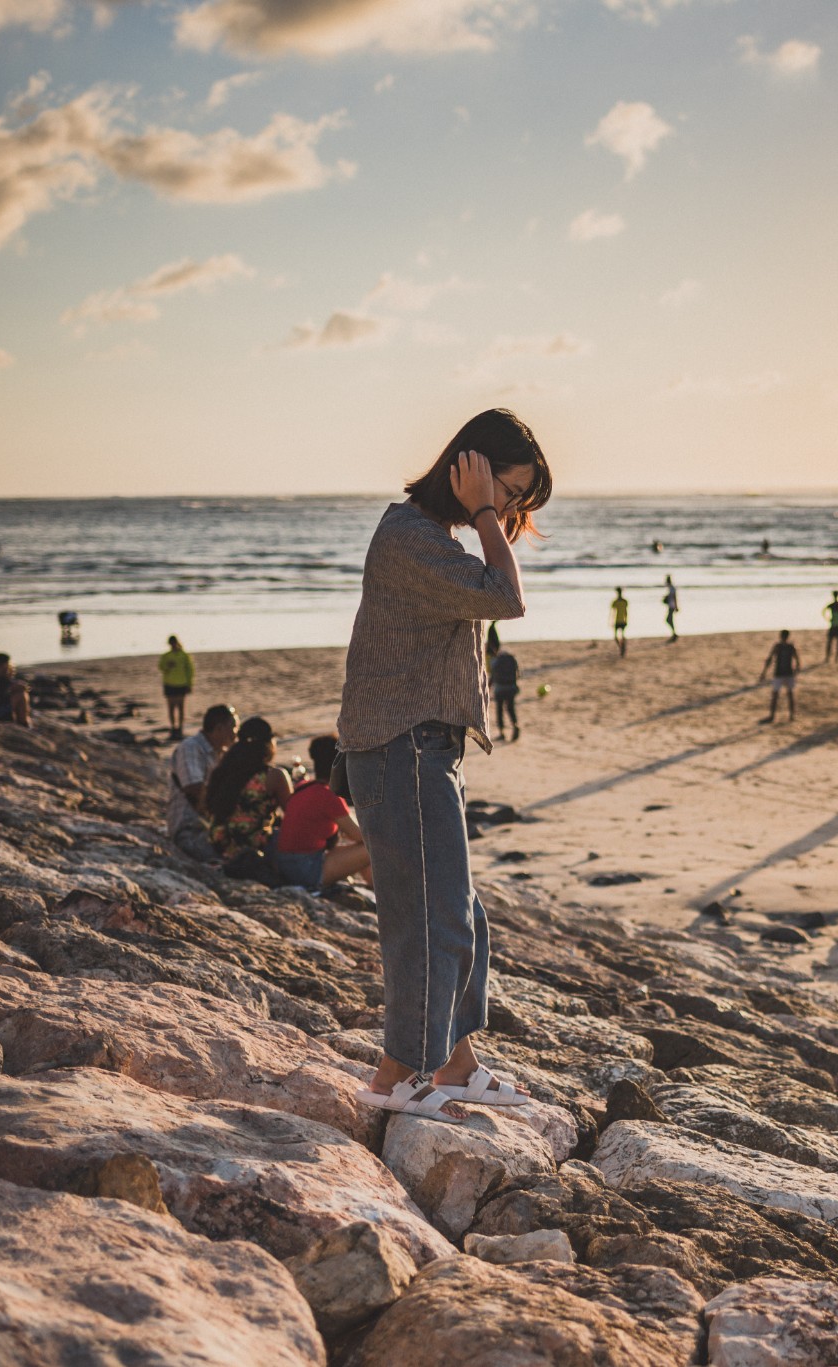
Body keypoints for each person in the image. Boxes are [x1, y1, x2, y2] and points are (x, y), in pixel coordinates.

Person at [339, 408, 552, 1127]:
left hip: (421, 746)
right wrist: (489, 513)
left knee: (456, 912)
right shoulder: (409, 540)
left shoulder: (426, 538)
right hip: (401, 745)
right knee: (431, 917)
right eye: (510, 490)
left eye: (518, 500)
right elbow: (506, 596)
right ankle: (396, 1073)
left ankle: (453, 1062)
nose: (514, 509)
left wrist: (488, 510)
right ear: (474, 467)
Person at [274, 736, 371, 890]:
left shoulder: (304, 787)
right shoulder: (328, 795)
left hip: (286, 864)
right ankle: (380, 890)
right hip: (305, 870)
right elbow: (362, 837)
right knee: (372, 847)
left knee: (353, 844)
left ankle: (373, 888)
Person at [205, 717, 292, 864]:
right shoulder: (273, 776)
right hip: (254, 847)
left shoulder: (225, 768)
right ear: (268, 744)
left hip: (219, 843)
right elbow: (293, 813)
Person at [167, 705, 236, 862]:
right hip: (189, 828)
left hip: (208, 827)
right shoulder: (191, 747)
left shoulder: (220, 753)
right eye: (233, 728)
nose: (235, 734)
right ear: (219, 728)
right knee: (231, 859)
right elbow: (194, 788)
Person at [158, 635, 195, 740]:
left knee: (180, 707)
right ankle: (173, 727)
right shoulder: (166, 656)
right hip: (169, 684)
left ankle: (180, 727)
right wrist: (168, 666)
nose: (173, 645)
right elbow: (161, 667)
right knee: (171, 708)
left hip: (181, 684)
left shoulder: (184, 655)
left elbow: (190, 670)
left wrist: (189, 684)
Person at [759, 630, 799, 723]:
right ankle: (790, 715)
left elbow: (769, 659)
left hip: (782, 674)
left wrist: (763, 673)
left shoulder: (781, 647)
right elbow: (797, 661)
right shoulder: (788, 647)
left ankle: (776, 716)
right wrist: (796, 671)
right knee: (788, 695)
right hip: (785, 674)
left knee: (779, 695)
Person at [491, 644, 521, 741]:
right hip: (511, 688)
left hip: (499, 689)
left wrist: (488, 687)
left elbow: (493, 676)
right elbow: (518, 675)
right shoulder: (513, 660)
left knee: (499, 710)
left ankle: (501, 733)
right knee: (510, 709)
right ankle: (515, 725)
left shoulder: (496, 661)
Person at [823, 590, 838, 662]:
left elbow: (823, 611)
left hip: (833, 625)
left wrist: (828, 618)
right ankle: (836, 657)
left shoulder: (832, 605)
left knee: (830, 642)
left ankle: (829, 657)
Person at [610, 588, 629, 657]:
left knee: (619, 636)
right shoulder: (621, 601)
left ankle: (622, 648)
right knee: (618, 636)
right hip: (619, 620)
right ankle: (622, 647)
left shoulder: (621, 601)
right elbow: (613, 612)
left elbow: (625, 612)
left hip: (620, 620)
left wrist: (611, 620)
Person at [662, 575, 680, 642]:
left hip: (672, 606)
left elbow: (674, 597)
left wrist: (676, 606)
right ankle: (674, 633)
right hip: (671, 606)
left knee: (668, 619)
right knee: (669, 620)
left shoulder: (672, 588)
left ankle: (674, 633)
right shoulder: (670, 588)